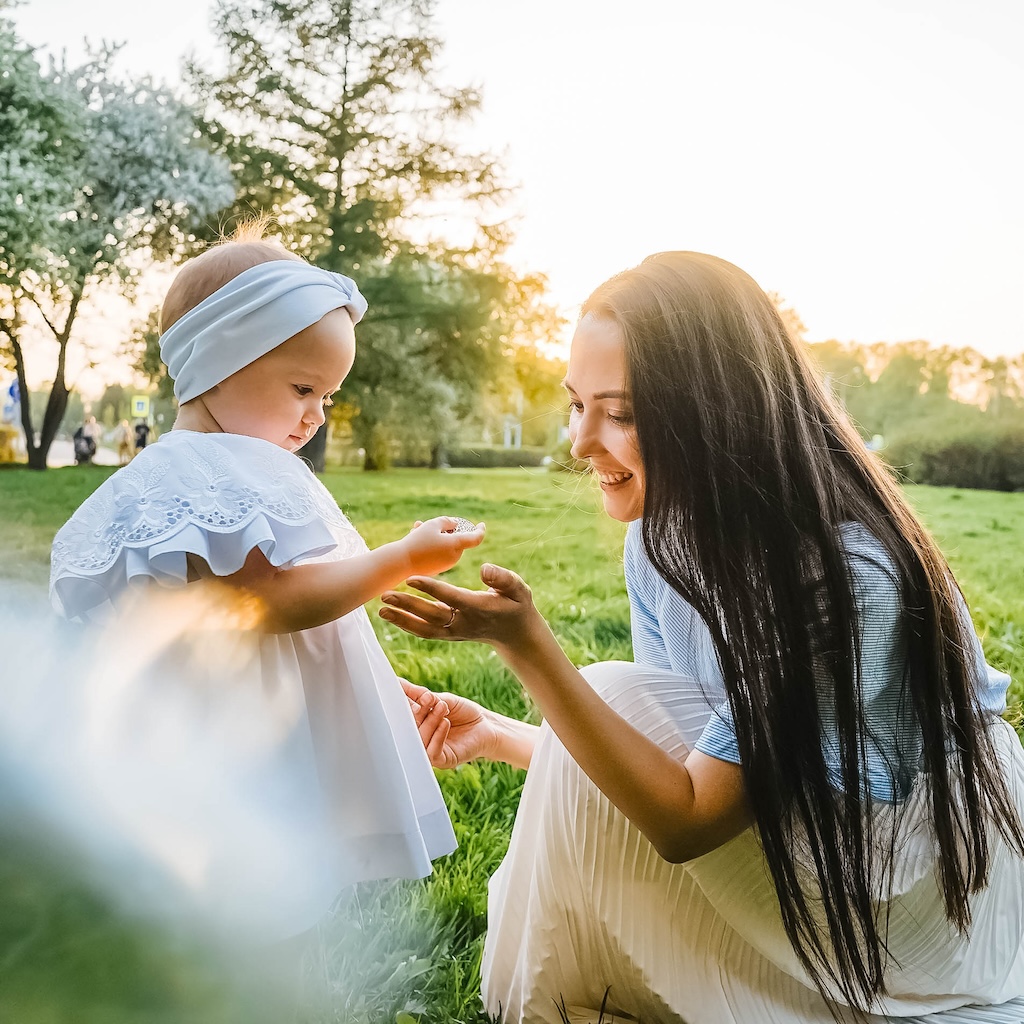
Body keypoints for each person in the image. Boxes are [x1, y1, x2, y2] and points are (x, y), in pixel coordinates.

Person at [381, 251, 1024, 1024]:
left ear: (715, 412)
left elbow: (688, 823)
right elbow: (683, 758)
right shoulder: (660, 538)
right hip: (805, 825)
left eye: (619, 413)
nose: (581, 442)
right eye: (576, 404)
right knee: (620, 692)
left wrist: (527, 649)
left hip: (924, 882)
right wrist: (502, 737)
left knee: (610, 686)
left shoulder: (849, 579)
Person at [49, 222, 485, 942]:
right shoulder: (222, 470)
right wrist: (400, 560)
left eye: (330, 396)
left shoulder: (186, 467)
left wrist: (366, 682)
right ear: (221, 364)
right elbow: (269, 602)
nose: (316, 416)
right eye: (303, 387)